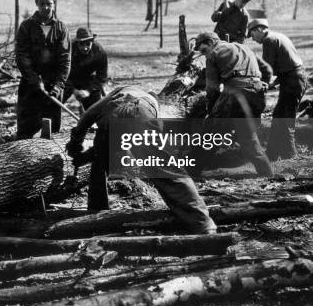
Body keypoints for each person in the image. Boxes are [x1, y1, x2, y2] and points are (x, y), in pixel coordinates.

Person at [65, 85, 217, 234]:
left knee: (100, 161)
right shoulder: (149, 104)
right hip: (132, 119)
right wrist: (81, 154)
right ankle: (201, 222)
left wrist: (75, 145)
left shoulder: (119, 92)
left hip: (111, 118)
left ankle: (95, 212)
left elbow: (87, 117)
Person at [194, 31, 274, 177]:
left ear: (211, 43)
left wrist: (212, 112)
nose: (204, 54)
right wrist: (263, 85)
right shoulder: (244, 48)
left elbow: (212, 88)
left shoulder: (213, 54)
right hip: (257, 94)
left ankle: (191, 171)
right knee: (248, 138)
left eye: (204, 50)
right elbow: (267, 71)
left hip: (236, 95)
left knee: (210, 134)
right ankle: (267, 172)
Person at [15, 0, 70, 138]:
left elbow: (65, 61)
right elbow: (21, 56)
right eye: (42, 4)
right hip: (30, 84)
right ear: (36, 4)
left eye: (49, 3)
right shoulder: (26, 27)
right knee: (25, 131)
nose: (46, 7)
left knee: (51, 133)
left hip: (53, 86)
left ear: (54, 3)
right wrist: (34, 79)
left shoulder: (61, 29)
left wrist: (58, 86)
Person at [248, 18, 307, 160]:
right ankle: (272, 154)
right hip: (295, 78)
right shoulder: (279, 36)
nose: (253, 39)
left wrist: (258, 84)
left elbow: (267, 68)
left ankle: (290, 157)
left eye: (252, 35)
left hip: (292, 81)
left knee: (285, 120)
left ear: (259, 30)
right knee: (278, 117)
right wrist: (272, 84)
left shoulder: (269, 40)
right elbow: (287, 63)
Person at [63, 27, 108, 110]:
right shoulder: (68, 50)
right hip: (69, 79)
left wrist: (88, 90)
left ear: (92, 42)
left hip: (88, 81)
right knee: (55, 100)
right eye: (81, 44)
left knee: (96, 109)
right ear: (77, 43)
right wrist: (73, 90)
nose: (85, 48)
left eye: (88, 44)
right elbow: (61, 72)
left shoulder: (99, 52)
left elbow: (102, 78)